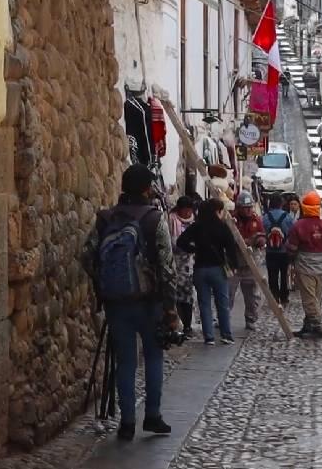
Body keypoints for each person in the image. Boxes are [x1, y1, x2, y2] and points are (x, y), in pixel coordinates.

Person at [86, 164, 180, 441]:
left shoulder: (106, 218)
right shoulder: (153, 219)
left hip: (116, 303)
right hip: (149, 301)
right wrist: (170, 306)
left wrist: (104, 284)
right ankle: (152, 416)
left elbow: (88, 255)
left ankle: (126, 422)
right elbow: (167, 265)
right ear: (145, 188)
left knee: (125, 362)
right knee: (153, 357)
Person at [177, 198, 239, 345]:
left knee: (204, 303)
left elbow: (181, 242)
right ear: (217, 211)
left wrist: (194, 249)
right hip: (217, 268)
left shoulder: (196, 226)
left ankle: (209, 337)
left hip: (200, 269)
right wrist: (234, 265)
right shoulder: (222, 227)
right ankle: (226, 334)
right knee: (222, 302)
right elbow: (231, 247)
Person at [286, 191, 322, 338]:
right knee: (316, 296)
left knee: (309, 297)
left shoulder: (299, 226)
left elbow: (292, 247)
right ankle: (308, 325)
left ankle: (317, 325)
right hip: (320, 265)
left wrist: (290, 259)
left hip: (305, 265)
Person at [231, 191, 265, 331]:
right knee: (228, 293)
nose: (248, 210)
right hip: (234, 263)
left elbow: (262, 236)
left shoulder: (256, 220)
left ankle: (250, 319)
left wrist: (259, 240)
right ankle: (222, 318)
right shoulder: (232, 220)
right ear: (238, 208)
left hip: (251, 263)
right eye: (245, 208)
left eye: (250, 207)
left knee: (252, 295)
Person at [169, 196, 197, 337]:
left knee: (188, 296)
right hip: (174, 263)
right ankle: (176, 325)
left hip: (189, 264)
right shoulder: (171, 220)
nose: (187, 213)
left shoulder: (194, 220)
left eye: (189, 210)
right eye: (185, 210)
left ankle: (187, 325)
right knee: (175, 296)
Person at [263, 194, 294, 307]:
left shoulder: (266, 217)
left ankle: (274, 297)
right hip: (284, 251)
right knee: (284, 274)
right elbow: (292, 233)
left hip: (270, 251)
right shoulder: (287, 217)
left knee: (272, 275)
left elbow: (263, 232)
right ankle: (284, 296)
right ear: (281, 204)